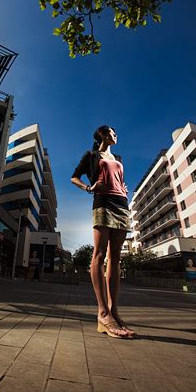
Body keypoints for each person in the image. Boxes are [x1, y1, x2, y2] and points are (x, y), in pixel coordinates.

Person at [71, 125, 134, 339]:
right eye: (111, 132)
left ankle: (114, 310)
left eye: (116, 132)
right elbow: (74, 177)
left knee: (115, 258)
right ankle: (103, 313)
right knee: (99, 254)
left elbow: (118, 178)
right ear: (102, 135)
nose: (115, 135)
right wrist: (88, 188)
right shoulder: (91, 155)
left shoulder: (118, 156)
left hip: (122, 203)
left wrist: (124, 188)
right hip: (103, 202)